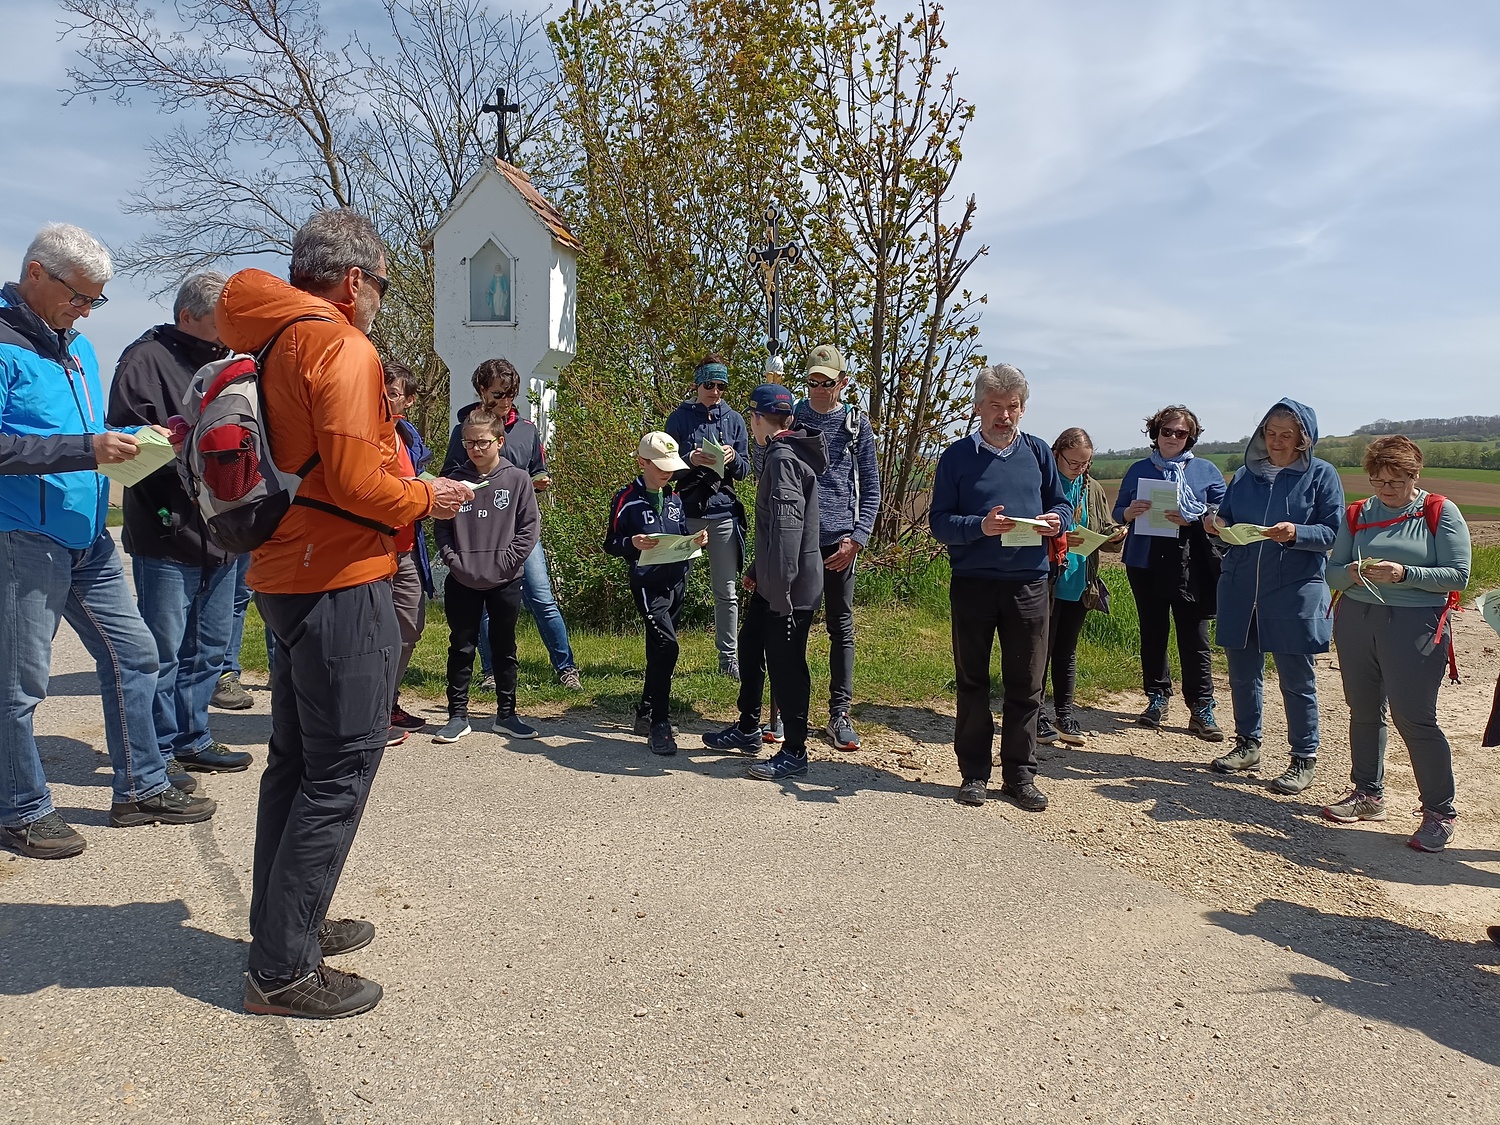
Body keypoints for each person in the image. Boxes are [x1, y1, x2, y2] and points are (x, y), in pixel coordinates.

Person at [221, 208, 471, 1018]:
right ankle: (281, 970)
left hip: (281, 570)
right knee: (341, 766)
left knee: (296, 760)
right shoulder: (340, 345)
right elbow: (362, 483)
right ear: (355, 279)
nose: (379, 304)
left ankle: (284, 923)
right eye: (383, 288)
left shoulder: (267, 337)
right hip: (339, 575)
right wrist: (428, 496)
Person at [1, 223, 217, 860]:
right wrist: (84, 448)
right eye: (79, 296)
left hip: (88, 536)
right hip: (21, 536)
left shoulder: (80, 350)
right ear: (35, 273)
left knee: (136, 655)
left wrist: (144, 441)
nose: (87, 310)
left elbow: (90, 431)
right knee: (19, 685)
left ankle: (142, 786)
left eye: (96, 299)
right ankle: (20, 809)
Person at [107, 270, 254, 777]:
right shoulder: (144, 360)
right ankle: (160, 751)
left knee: (209, 648)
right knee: (163, 650)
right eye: (220, 321)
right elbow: (123, 439)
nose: (229, 331)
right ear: (188, 316)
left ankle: (193, 737)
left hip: (224, 528)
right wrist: (179, 448)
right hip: (167, 527)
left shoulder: (232, 363)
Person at [929, 364, 1070, 812]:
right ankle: (973, 774)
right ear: (978, 408)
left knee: (1026, 684)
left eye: (1013, 406)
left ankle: (1019, 776)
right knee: (972, 681)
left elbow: (1062, 502)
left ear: (1023, 409)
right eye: (995, 406)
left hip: (1029, 584)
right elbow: (939, 522)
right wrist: (980, 526)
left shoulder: (1039, 452)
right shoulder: (956, 457)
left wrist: (1058, 520)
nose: (1004, 415)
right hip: (973, 583)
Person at [1323, 435, 1470, 853]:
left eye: (1395, 481)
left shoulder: (1439, 511)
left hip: (1416, 623)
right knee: (1364, 709)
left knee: (1415, 718)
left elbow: (1458, 576)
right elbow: (1332, 572)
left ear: (1414, 475)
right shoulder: (1357, 513)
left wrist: (1405, 573)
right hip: (1356, 618)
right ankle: (1367, 794)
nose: (1385, 489)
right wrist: (1352, 573)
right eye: (1377, 480)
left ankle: (1440, 813)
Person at [1207, 400, 1343, 794]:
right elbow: (1227, 520)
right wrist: (1217, 525)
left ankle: (1303, 757)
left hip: (1293, 589)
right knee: (1242, 674)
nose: (1277, 442)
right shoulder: (1244, 475)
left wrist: (1297, 533)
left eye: (1287, 435)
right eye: (1270, 433)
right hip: (1240, 587)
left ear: (1304, 438)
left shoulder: (1321, 475)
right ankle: (1247, 745)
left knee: (1296, 679)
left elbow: (1334, 532)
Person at [703, 384, 827, 780]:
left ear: (757, 419)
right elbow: (776, 529)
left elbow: (788, 532)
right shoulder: (780, 452)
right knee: (751, 642)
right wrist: (758, 569)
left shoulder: (783, 460)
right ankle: (747, 727)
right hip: (773, 579)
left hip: (790, 588)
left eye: (751, 418)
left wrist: (782, 592)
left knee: (786, 664)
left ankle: (794, 751)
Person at [442, 358, 582, 691]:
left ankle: (566, 668)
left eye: (511, 395)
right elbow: (448, 478)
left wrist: (539, 480)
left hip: (520, 531)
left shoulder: (527, 430)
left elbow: (537, 467)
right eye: (498, 394)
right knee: (483, 605)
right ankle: (491, 671)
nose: (506, 402)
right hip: (479, 533)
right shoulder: (464, 431)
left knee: (542, 598)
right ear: (481, 390)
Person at [1113, 405, 1227, 738]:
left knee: (1194, 635)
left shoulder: (1206, 470)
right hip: (1145, 560)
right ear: (1156, 433)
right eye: (1167, 431)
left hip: (1190, 561)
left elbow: (1225, 513)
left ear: (1191, 437)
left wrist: (1198, 515)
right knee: (1153, 632)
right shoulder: (1138, 469)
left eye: (1181, 433)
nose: (1173, 437)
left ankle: (1201, 706)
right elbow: (1118, 511)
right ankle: (1157, 697)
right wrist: (1129, 512)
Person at [431, 410, 541, 744]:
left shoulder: (518, 479)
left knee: (504, 646)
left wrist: (507, 562)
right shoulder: (453, 481)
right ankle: (457, 716)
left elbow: (528, 529)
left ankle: (507, 715)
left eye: (482, 442)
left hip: (505, 578)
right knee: (461, 646)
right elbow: (442, 527)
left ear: (499, 441)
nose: (475, 449)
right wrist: (455, 561)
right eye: (469, 443)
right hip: (463, 577)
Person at [791, 344, 882, 751]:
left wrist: (857, 539)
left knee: (840, 627)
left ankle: (840, 713)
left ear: (843, 382)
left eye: (826, 383)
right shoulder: (793, 416)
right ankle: (788, 709)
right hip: (798, 539)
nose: (818, 389)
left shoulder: (856, 424)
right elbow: (767, 470)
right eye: (812, 381)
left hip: (840, 543)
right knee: (793, 625)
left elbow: (872, 488)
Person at [603, 432, 709, 755]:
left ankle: (646, 713)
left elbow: (679, 535)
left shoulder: (674, 498)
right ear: (642, 462)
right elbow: (611, 543)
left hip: (677, 581)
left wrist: (696, 542)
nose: (667, 472)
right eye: (661, 466)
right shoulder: (626, 499)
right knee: (668, 646)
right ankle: (660, 724)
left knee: (658, 651)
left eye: (671, 467)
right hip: (648, 585)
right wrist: (631, 543)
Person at [664, 356, 750, 679]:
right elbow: (666, 468)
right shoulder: (679, 419)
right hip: (687, 513)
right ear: (697, 384)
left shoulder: (735, 420)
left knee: (726, 592)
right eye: (709, 385)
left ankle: (728, 659)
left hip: (723, 513)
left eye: (720, 386)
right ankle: (665, 656)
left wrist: (732, 458)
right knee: (673, 587)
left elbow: (745, 470)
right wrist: (690, 458)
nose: (715, 392)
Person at [1040, 428, 1123, 746]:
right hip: (1047, 579)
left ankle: (1065, 715)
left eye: (1085, 463)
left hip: (1081, 580)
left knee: (1067, 650)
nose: (1079, 469)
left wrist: (1115, 534)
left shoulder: (1093, 488)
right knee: (1041, 651)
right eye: (1073, 463)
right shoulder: (1043, 484)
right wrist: (1061, 537)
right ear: (1056, 454)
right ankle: (1037, 715)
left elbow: (1102, 528)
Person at [383, 361, 436, 736]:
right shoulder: (366, 431)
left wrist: (435, 491)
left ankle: (387, 702)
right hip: (373, 547)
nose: (385, 399)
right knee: (372, 634)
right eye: (380, 392)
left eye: (393, 394)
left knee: (409, 628)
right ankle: (370, 711)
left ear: (410, 400)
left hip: (408, 547)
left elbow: (415, 478)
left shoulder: (408, 435)